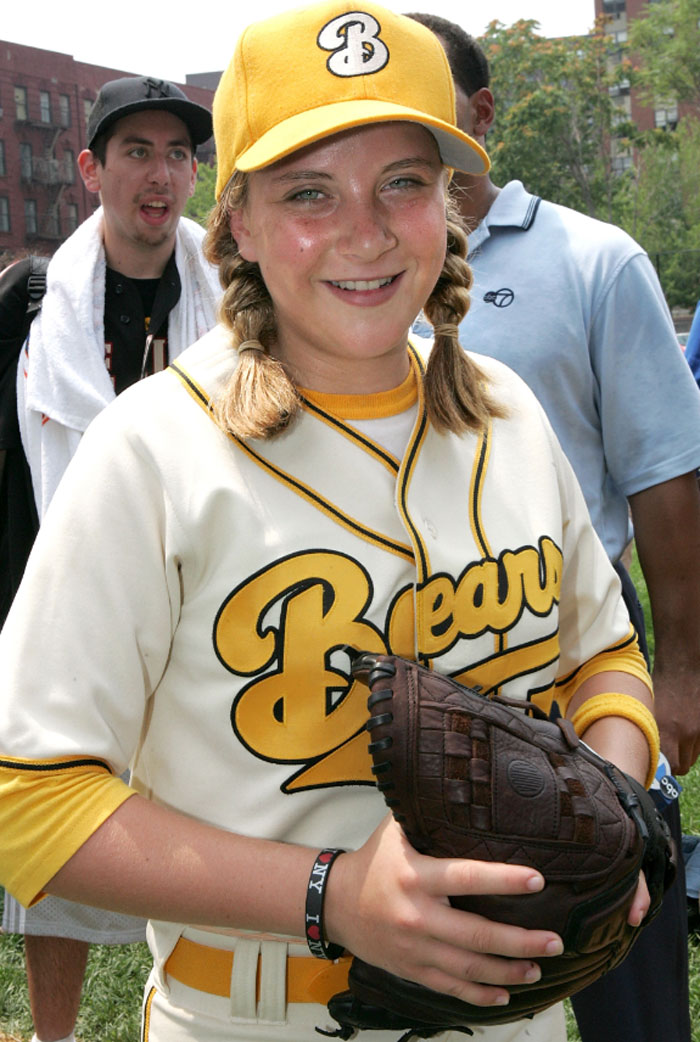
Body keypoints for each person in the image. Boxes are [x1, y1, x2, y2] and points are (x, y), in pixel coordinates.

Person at [0, 5, 660, 1042]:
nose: (364, 229)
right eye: (310, 191)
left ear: (449, 204)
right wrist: (330, 894)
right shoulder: (154, 448)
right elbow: (25, 795)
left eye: (403, 181)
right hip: (254, 1015)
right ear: (240, 226)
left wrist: (602, 815)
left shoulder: (507, 412)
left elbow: (605, 652)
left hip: (517, 1022)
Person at [406, 13, 700, 1042]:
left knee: (626, 969)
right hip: (417, 667)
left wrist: (681, 674)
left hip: (577, 637)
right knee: (456, 972)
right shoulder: (350, 278)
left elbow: (665, 481)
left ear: (481, 115)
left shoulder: (594, 260)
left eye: (422, 97)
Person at [1, 75, 219, 1042]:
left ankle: (187, 1014)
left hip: (197, 598)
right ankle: (52, 1035)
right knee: (58, 828)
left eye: (178, 153)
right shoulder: (31, 303)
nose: (160, 174)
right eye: (137, 151)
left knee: (201, 827)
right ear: (91, 168)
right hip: (54, 589)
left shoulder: (233, 298)